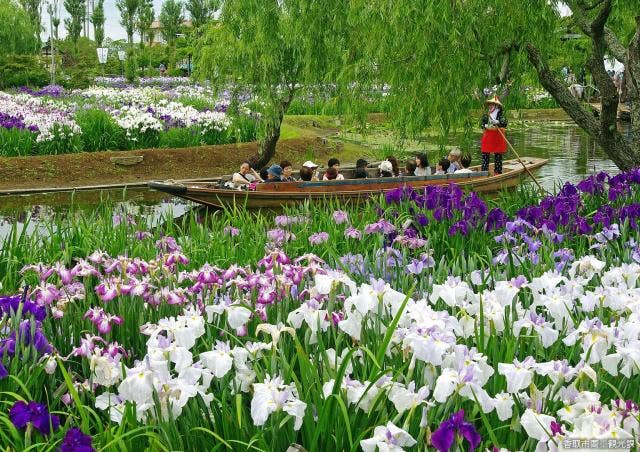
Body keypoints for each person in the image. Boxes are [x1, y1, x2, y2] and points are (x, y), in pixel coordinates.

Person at [480, 95, 508, 174]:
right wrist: (484, 126)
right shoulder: (487, 114)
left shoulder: (501, 113)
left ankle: (498, 172)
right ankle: (484, 172)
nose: (490, 106)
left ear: (496, 105)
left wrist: (498, 122)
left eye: (492, 104)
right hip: (488, 135)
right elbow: (482, 123)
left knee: (498, 155)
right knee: (485, 153)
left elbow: (504, 123)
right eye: (490, 104)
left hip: (497, 136)